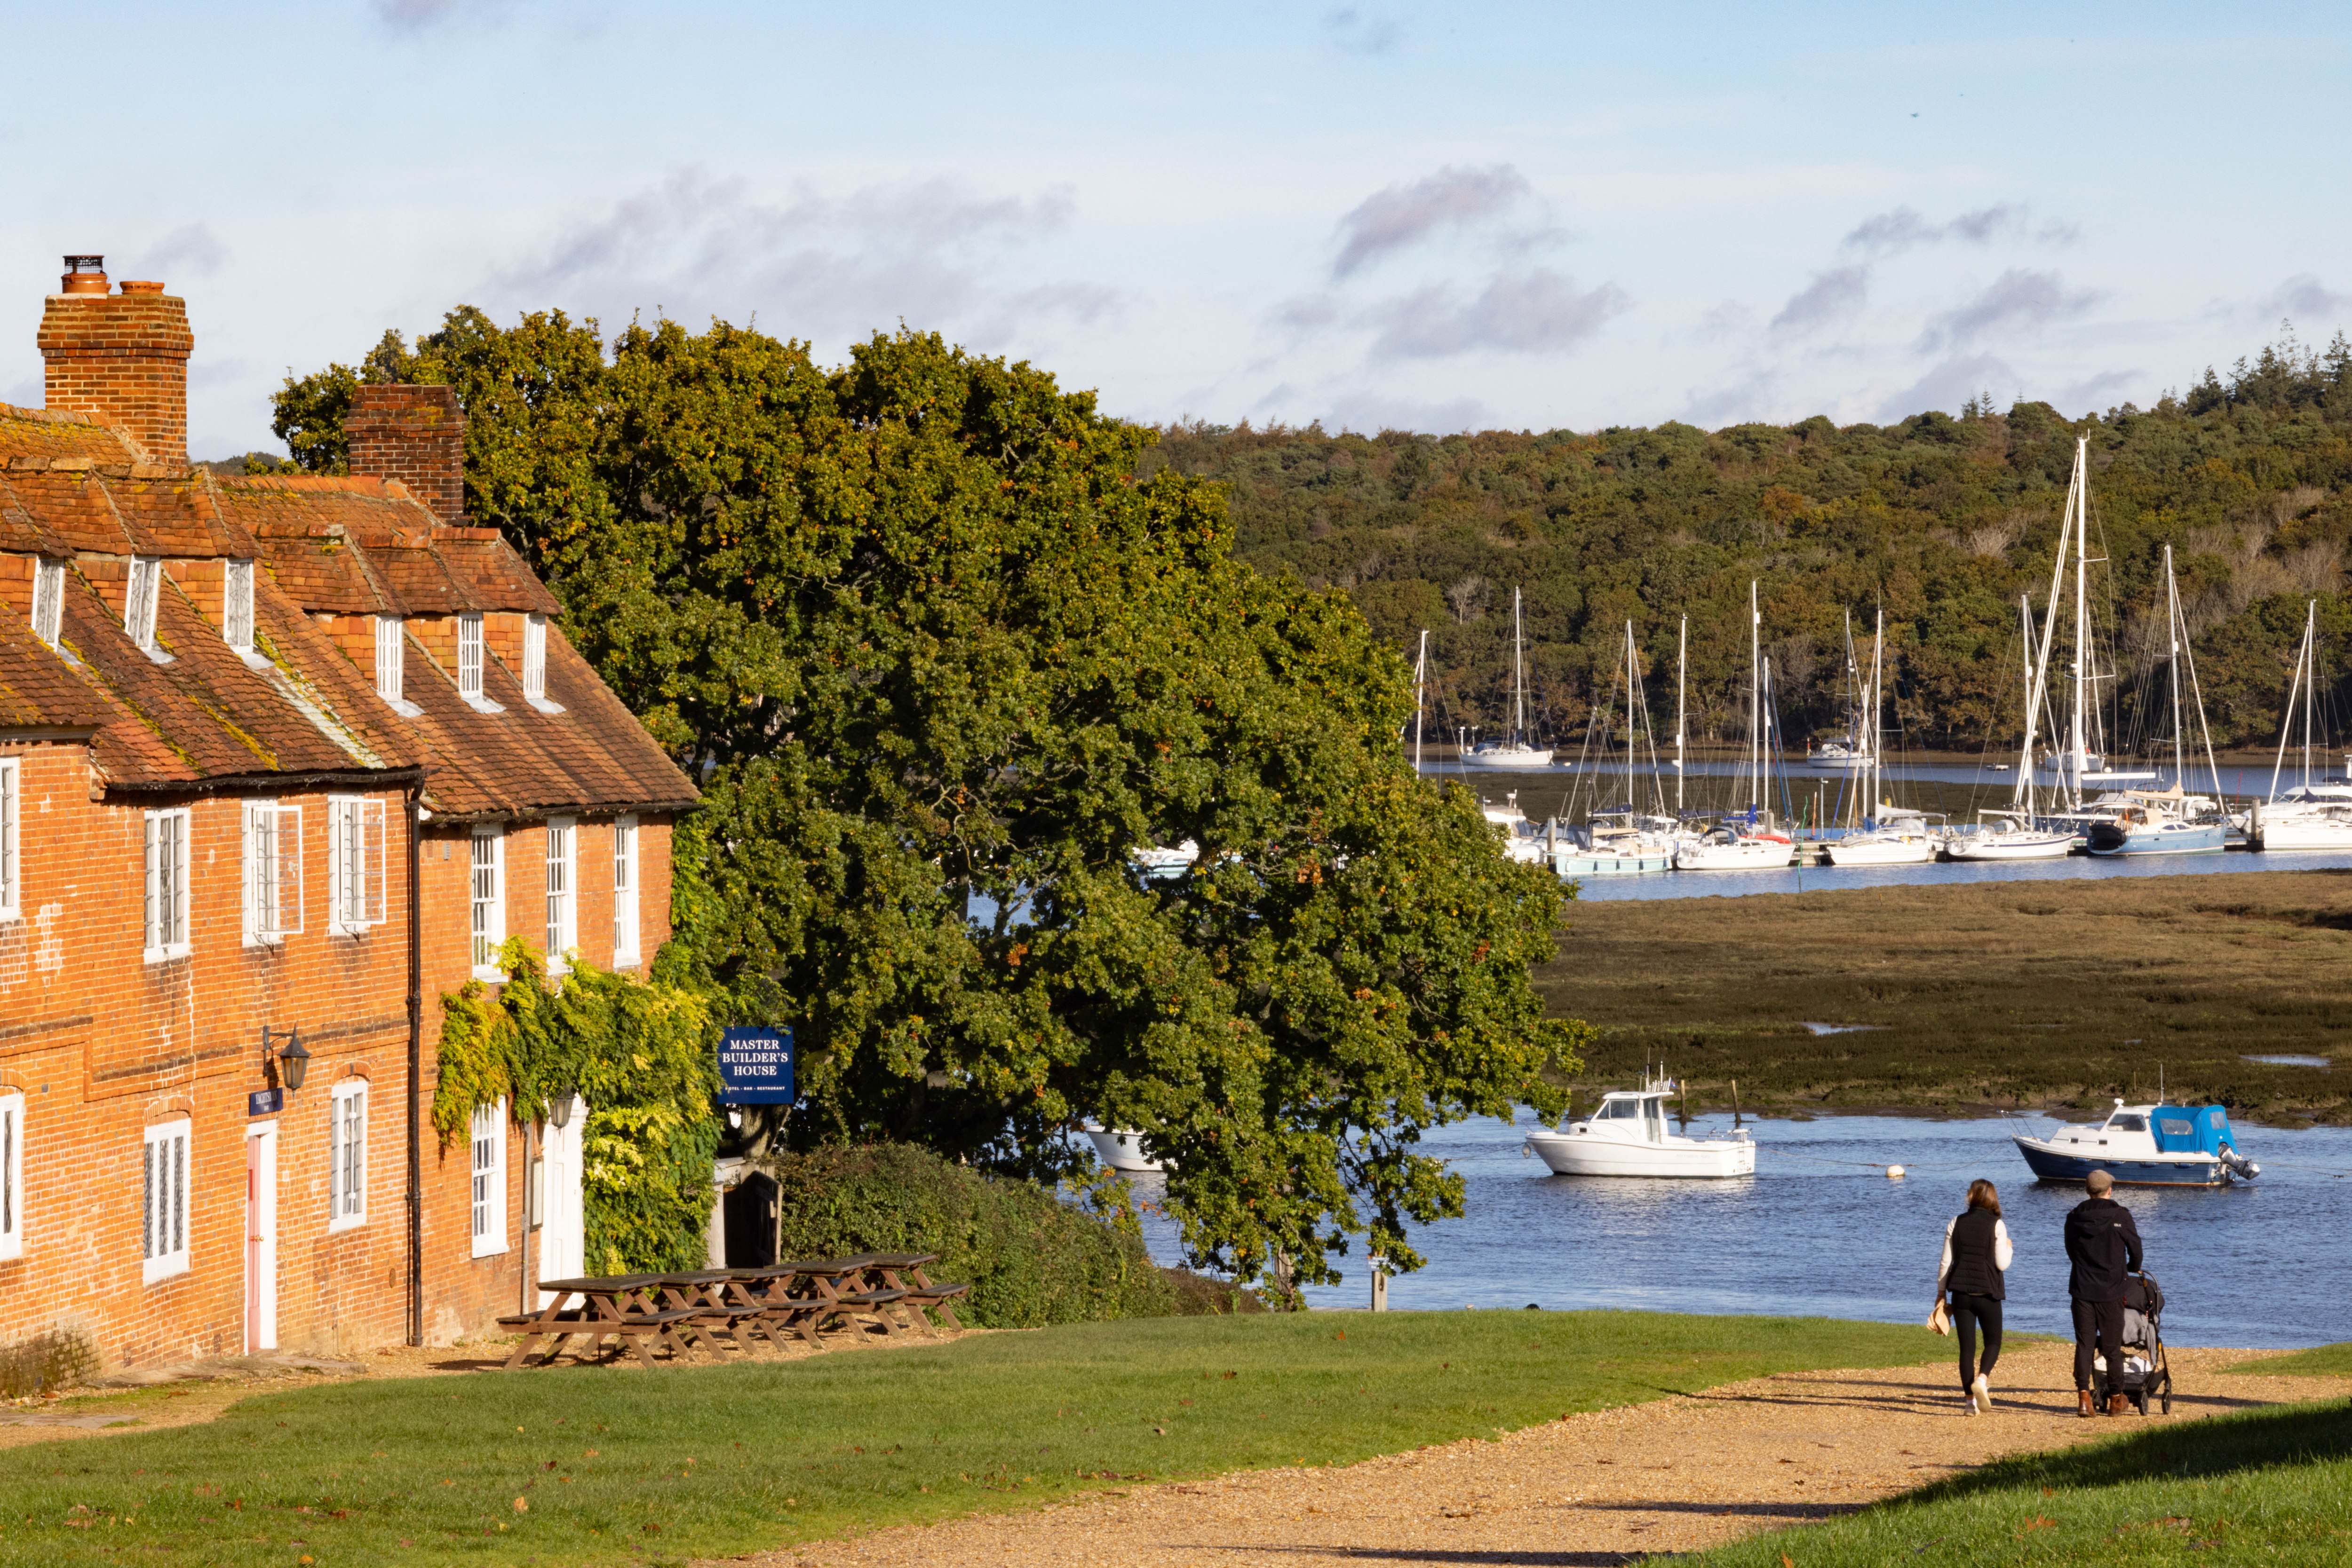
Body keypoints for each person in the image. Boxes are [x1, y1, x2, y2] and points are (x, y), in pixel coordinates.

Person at [2064, 1168, 2144, 1418]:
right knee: (2111, 1348)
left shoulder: (2074, 1217)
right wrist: (2132, 1268)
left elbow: (2071, 1252)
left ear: (2088, 1191)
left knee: (2085, 1344)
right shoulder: (2121, 1216)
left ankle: (2084, 1397)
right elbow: (2136, 1249)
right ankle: (2116, 1399)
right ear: (2109, 1190)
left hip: (2082, 1288)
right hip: (2111, 1290)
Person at [1936, 1178, 2013, 1415]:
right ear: (1992, 1198)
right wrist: (2010, 1247)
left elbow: (1946, 1262)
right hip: (1987, 1293)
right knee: (1993, 1342)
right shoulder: (1997, 1225)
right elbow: (2002, 1263)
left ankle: (1970, 1403)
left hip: (1961, 1293)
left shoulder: (1955, 1222)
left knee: (1966, 1349)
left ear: (1971, 1196)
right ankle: (1981, 1380)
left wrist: (1941, 1293)